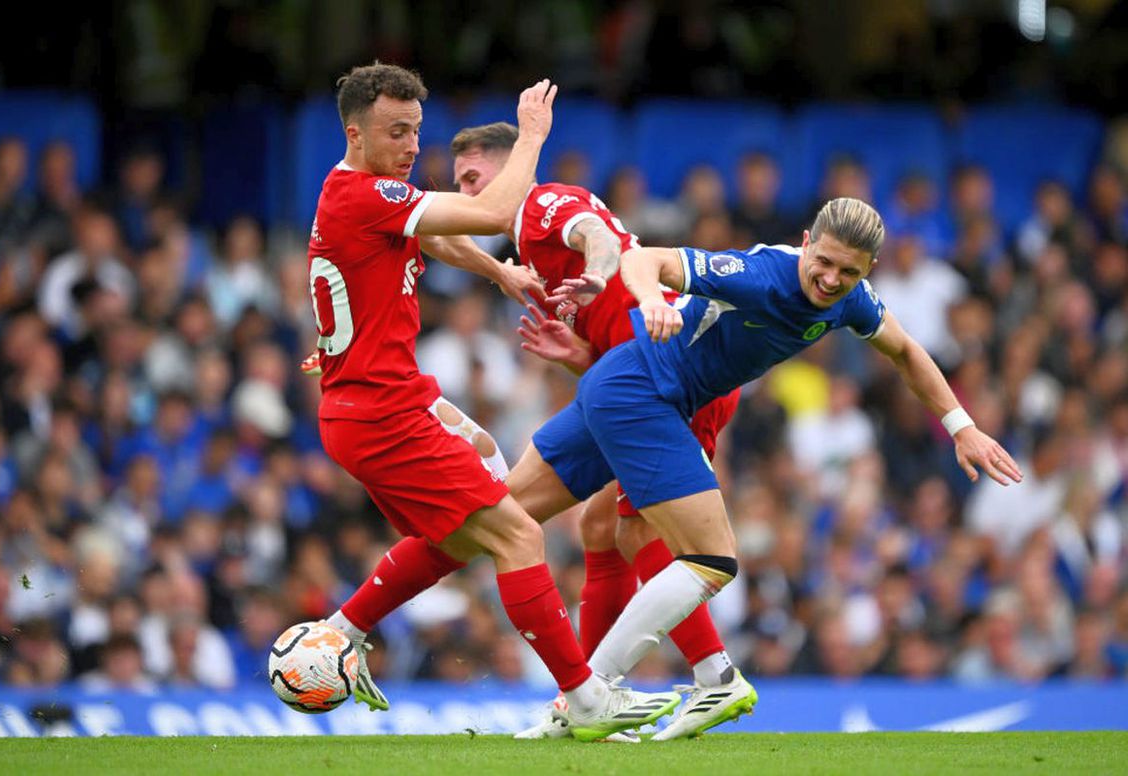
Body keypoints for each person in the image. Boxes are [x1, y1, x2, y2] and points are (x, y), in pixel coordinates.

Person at [500, 196, 1022, 738]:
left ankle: (631, 690)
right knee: (692, 553)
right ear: (806, 242)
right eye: (824, 262)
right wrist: (651, 299)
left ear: (868, 270)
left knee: (517, 516)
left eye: (848, 272)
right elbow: (642, 258)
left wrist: (962, 427)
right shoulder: (760, 274)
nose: (831, 279)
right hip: (648, 388)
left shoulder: (853, 300)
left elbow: (906, 351)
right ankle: (605, 693)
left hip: (646, 388)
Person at [306, 62, 679, 742]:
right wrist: (531, 136)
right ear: (354, 133)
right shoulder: (362, 194)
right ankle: (586, 699)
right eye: (395, 132)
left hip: (382, 401)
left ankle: (341, 632)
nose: (411, 146)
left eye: (415, 131)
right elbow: (490, 213)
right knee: (518, 533)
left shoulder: (360, 193)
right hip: (380, 410)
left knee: (466, 524)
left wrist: (497, 270)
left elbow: (435, 234)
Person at [448, 121, 743, 740]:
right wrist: (579, 354)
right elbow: (615, 328)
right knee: (600, 527)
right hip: (637, 374)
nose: (467, 194)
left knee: (635, 532)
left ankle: (710, 676)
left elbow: (598, 239)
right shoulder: (528, 246)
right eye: (460, 184)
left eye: (474, 178)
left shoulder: (544, 204)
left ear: (512, 169)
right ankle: (589, 703)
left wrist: (602, 272)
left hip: (668, 375)